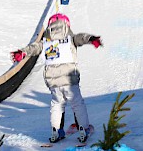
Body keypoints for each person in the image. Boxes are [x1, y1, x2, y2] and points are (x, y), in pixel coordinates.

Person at [10, 13, 102, 143]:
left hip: (53, 81)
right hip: (70, 79)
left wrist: (23, 52)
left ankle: (56, 130)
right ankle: (83, 128)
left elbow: (34, 48)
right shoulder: (70, 38)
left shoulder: (46, 41)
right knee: (77, 104)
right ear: (66, 25)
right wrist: (92, 39)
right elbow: (81, 37)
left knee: (57, 105)